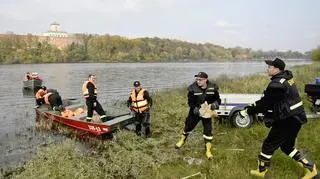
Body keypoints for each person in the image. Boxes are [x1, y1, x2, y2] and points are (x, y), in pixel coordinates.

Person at [239, 58, 318, 178]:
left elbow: (266, 102)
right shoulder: (287, 78)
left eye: (269, 67)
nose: (267, 69)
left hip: (288, 119)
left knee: (268, 144)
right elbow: (278, 101)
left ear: (276, 69)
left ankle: (261, 171)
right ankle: (311, 168)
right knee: (287, 147)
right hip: (296, 117)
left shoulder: (276, 84)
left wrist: (248, 110)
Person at [175, 72, 221, 160]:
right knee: (188, 127)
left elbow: (218, 100)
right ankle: (182, 141)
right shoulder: (192, 88)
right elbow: (190, 102)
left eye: (200, 80)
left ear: (205, 80)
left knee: (208, 131)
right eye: (197, 79)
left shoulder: (213, 87)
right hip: (195, 113)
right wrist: (194, 108)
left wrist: (215, 104)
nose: (198, 81)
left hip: (207, 113)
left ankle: (208, 151)